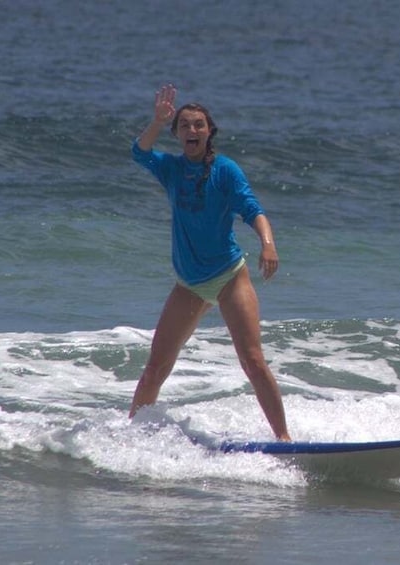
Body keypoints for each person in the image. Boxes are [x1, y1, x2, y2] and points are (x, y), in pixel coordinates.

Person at [129, 84, 291, 441]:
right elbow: (139, 153)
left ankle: (284, 439)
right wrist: (157, 121)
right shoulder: (171, 169)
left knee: (252, 361)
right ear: (177, 133)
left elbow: (253, 210)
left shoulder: (225, 170)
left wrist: (268, 244)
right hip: (189, 284)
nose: (192, 130)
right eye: (185, 125)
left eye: (199, 124)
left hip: (229, 277)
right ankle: (131, 435)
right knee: (155, 367)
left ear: (209, 132)